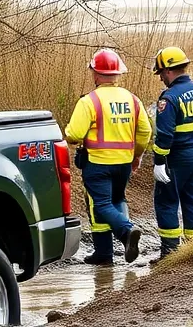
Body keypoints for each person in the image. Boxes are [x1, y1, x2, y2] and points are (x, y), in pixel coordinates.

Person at [64, 49, 152, 265]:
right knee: (117, 200)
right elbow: (146, 132)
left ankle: (127, 232)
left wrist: (67, 135)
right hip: (123, 163)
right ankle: (104, 253)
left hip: (97, 163)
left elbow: (74, 134)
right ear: (118, 74)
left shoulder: (89, 101)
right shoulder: (133, 100)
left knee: (101, 204)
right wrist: (137, 156)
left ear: (95, 73)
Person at [151, 46, 193, 262]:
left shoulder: (169, 98)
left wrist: (160, 161)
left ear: (169, 71)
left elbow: (164, 134)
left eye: (161, 73)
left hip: (179, 157)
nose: (161, 78)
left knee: (166, 201)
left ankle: (170, 255)